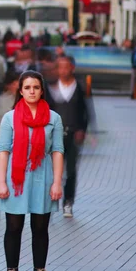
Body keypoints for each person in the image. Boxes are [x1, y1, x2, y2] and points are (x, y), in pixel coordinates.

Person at [0, 70, 64, 271]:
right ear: (21, 91)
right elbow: (3, 151)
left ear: (42, 90)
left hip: (42, 178)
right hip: (16, 179)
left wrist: (56, 182)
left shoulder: (54, 118)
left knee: (40, 228)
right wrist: (1, 182)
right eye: (27, 88)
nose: (31, 91)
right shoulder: (9, 118)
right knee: (13, 227)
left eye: (35, 87)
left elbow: (57, 151)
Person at [45, 56, 93, 218]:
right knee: (52, 171)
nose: (63, 70)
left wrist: (83, 129)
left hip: (73, 134)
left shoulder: (79, 87)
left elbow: (86, 111)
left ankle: (68, 202)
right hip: (54, 136)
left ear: (72, 68)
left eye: (66, 67)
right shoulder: (50, 87)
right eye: (60, 67)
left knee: (71, 170)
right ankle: (51, 201)